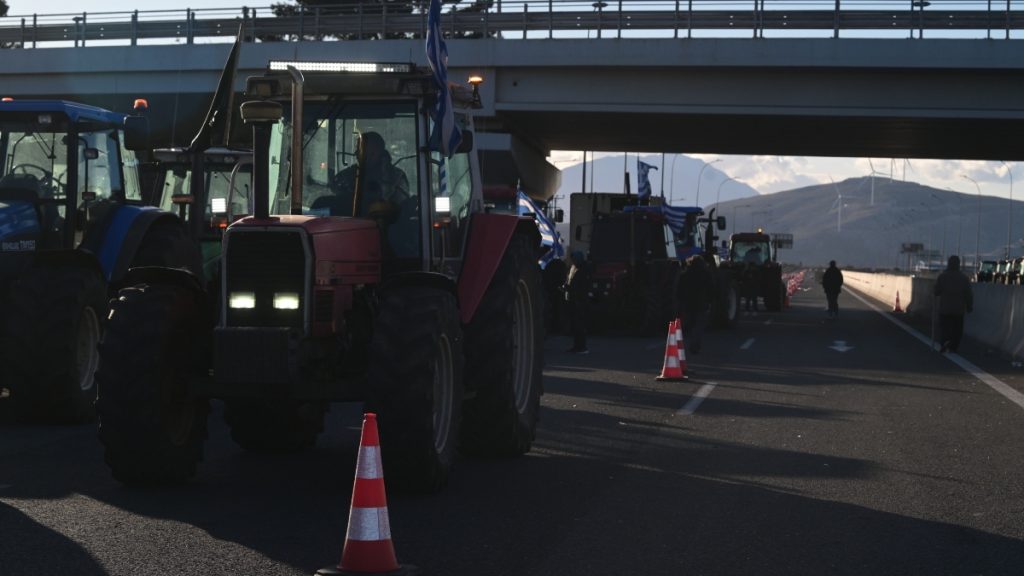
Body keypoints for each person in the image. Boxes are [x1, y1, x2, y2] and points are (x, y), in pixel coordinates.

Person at [323, 131, 410, 217]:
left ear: (374, 153)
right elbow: (333, 190)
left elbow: (400, 212)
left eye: (359, 149)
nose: (356, 153)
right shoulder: (350, 173)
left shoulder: (396, 177)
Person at [934, 255, 973, 354]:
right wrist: (969, 306)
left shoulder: (942, 276)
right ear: (958, 265)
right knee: (957, 329)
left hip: (945, 308)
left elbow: (936, 291)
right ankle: (954, 346)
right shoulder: (964, 278)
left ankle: (945, 342)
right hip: (958, 309)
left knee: (944, 327)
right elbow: (968, 294)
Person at [675, 255, 715, 354]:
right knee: (698, 326)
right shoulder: (706, 274)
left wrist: (680, 301)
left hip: (687, 303)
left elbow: (679, 290)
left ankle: (678, 344)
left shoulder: (684, 274)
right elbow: (711, 289)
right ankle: (694, 345)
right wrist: (710, 301)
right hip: (701, 303)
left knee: (686, 324)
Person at [564, 251, 591, 354]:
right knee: (576, 325)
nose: (572, 261)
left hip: (579, 301)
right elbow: (570, 281)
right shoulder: (573, 268)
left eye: (574, 259)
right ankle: (577, 346)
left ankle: (581, 346)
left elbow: (581, 287)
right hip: (573, 300)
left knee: (579, 325)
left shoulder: (583, 270)